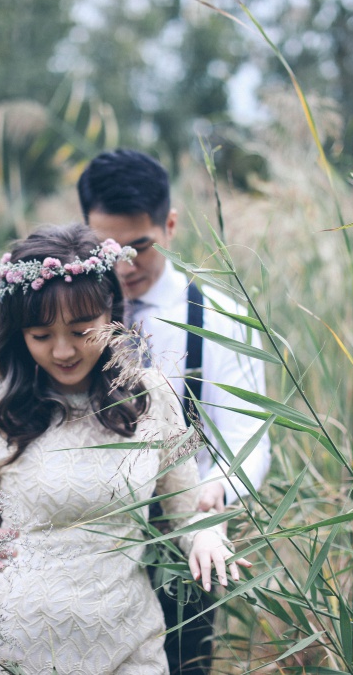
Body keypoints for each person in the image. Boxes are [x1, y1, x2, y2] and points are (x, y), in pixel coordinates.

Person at [0, 224, 249, 674]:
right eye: (40, 335)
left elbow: (186, 511)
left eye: (80, 330)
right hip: (14, 649)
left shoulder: (151, 394)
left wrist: (207, 533)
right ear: (18, 334)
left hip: (129, 643)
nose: (62, 351)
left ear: (111, 313)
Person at [79, 149, 272, 673]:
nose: (123, 264)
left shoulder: (219, 316)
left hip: (181, 542)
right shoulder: (66, 316)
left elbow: (247, 434)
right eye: (108, 247)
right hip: (88, 546)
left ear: (168, 225)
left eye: (138, 246)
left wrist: (219, 491)